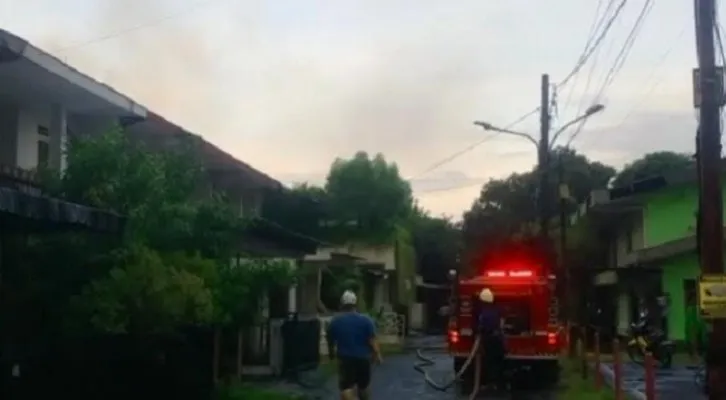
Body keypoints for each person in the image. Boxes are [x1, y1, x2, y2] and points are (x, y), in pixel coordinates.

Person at [326, 290, 383, 400]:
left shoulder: (335, 322)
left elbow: (330, 341)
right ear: (355, 304)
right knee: (364, 387)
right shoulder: (366, 320)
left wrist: (331, 355)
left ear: (342, 305)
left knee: (346, 388)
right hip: (363, 359)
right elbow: (372, 340)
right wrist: (377, 355)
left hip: (346, 360)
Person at [476, 288, 507, 390]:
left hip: (489, 341)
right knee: (499, 361)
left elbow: (482, 327)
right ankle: (500, 383)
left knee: (489, 362)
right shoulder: (497, 309)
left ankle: (491, 383)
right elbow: (502, 322)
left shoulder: (484, 313)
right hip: (498, 340)